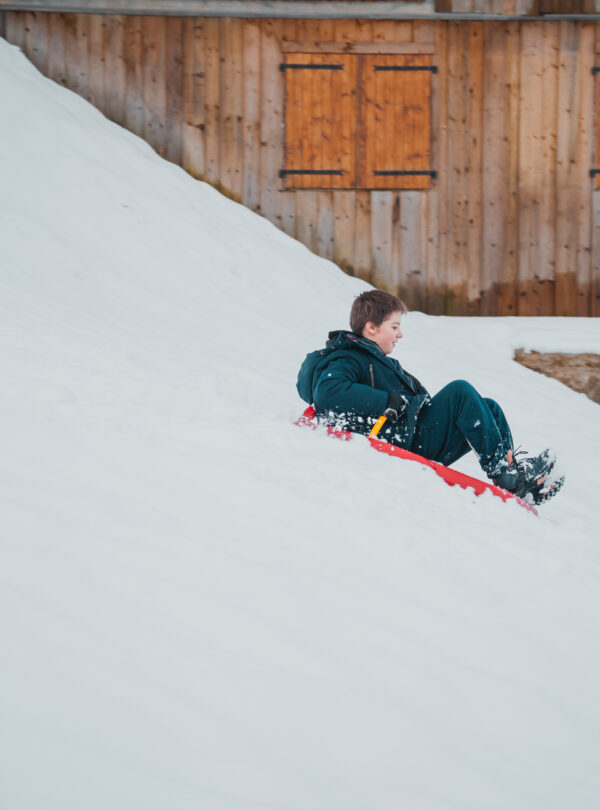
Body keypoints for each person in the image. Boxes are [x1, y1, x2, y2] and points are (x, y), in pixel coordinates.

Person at [297, 289, 564, 505]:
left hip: (412, 433)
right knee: (460, 391)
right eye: (394, 326)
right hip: (401, 440)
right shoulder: (347, 356)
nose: (400, 334)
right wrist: (385, 401)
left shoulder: (377, 360)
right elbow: (327, 393)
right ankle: (504, 475)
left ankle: (515, 476)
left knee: (488, 408)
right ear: (371, 328)